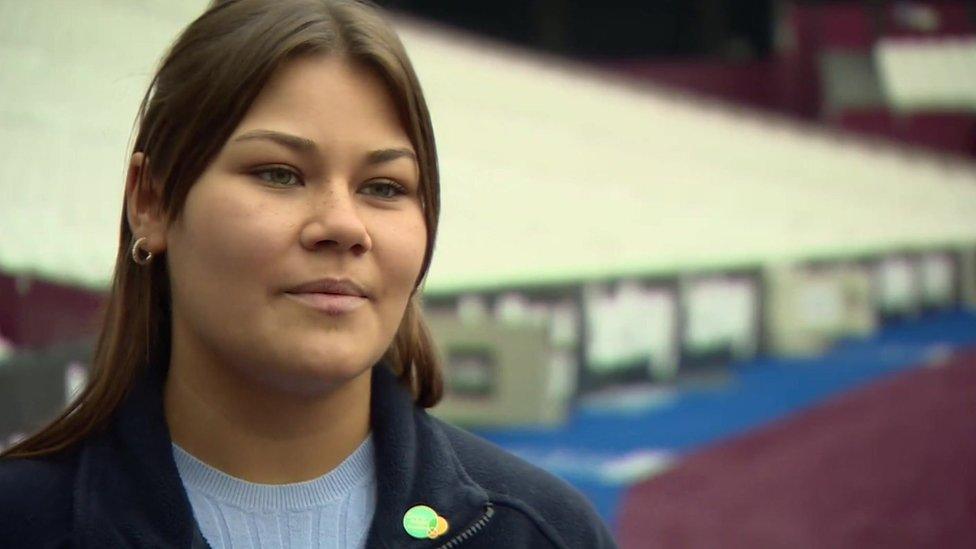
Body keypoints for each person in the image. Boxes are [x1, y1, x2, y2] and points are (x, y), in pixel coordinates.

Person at [0, 1, 617, 547]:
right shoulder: (22, 522)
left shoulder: (540, 533)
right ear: (152, 201)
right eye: (279, 174)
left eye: (383, 187)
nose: (344, 226)